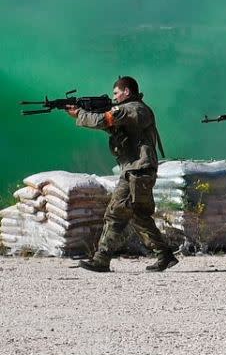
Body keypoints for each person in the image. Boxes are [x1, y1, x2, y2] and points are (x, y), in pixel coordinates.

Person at [66, 76, 177, 273]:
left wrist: (81, 114)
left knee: (118, 213)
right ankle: (164, 255)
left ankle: (102, 259)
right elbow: (111, 126)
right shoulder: (131, 111)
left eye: (116, 93)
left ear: (126, 92)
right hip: (135, 170)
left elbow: (104, 120)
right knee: (136, 215)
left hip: (138, 170)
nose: (114, 97)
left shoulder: (133, 108)